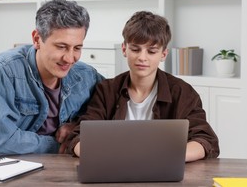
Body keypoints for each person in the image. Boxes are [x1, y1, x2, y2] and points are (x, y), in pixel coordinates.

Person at [67, 11, 219, 162]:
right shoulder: (106, 90)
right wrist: (111, 155)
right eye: (135, 49)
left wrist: (164, 157)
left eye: (152, 51)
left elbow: (205, 140)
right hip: (115, 169)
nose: (142, 57)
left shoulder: (181, 92)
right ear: (124, 49)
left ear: (163, 54)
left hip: (164, 171)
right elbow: (78, 138)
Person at [0, 0, 104, 156]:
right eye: (61, 47)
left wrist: (78, 127)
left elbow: (113, 107)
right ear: (37, 39)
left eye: (77, 48)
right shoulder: (3, 70)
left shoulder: (87, 75)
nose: (70, 58)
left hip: (55, 171)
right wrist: (61, 145)